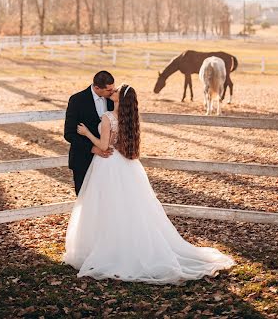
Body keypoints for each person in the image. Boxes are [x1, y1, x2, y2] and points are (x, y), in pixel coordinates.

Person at [64, 84, 235, 284]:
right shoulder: (130, 119)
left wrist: (86, 133)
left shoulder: (108, 117)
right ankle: (125, 244)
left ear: (120, 99)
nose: (113, 92)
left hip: (108, 165)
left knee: (108, 206)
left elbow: (103, 146)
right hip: (128, 166)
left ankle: (108, 246)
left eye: (116, 90)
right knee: (130, 208)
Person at [64, 71, 115, 195]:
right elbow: (69, 134)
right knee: (84, 197)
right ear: (97, 87)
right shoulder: (77, 100)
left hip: (107, 161)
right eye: (109, 90)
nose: (112, 92)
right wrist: (93, 149)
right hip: (83, 158)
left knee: (105, 197)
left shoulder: (113, 100)